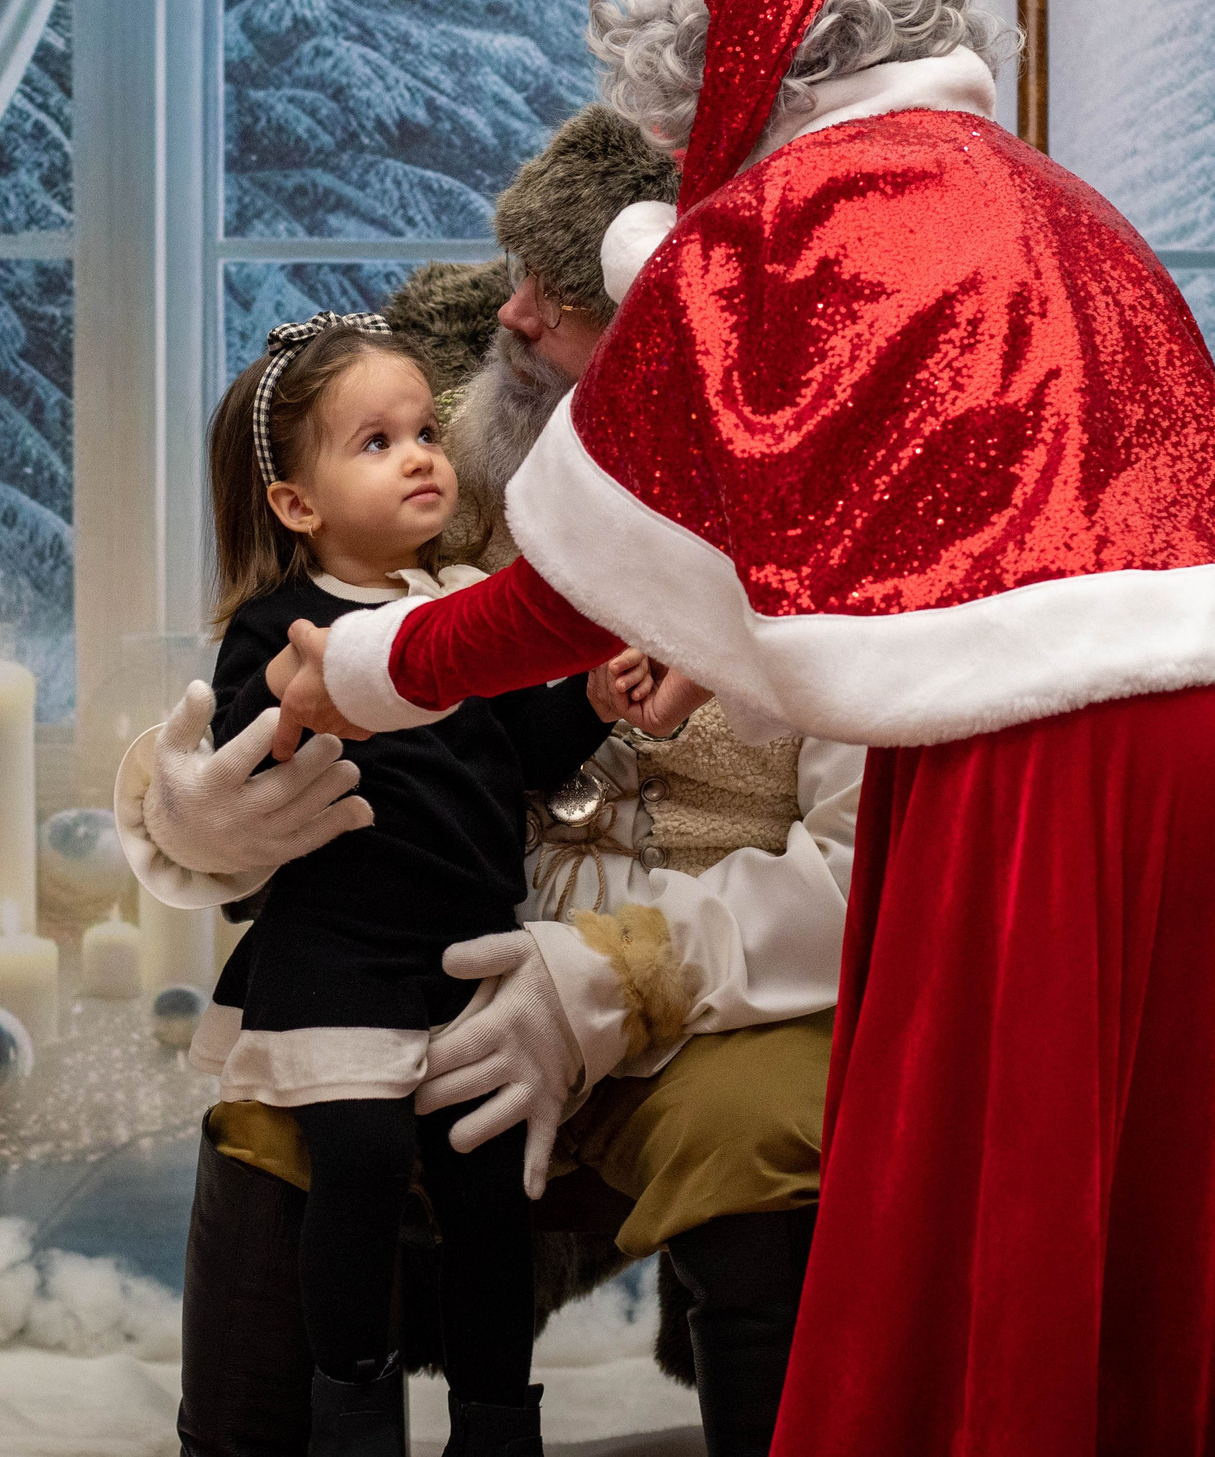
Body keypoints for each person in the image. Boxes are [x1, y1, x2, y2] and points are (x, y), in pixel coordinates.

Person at [260, 0, 1215, 1457]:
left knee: (995, 1256)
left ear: (731, 62)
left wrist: (364, 670)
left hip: (1070, 755)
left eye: (673, 105)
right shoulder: (1048, 203)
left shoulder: (781, 236)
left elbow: (576, 592)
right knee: (1213, 1249)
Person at [118, 107, 866, 1457]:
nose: (514, 317)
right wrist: (191, 813)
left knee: (765, 1138)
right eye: (515, 273)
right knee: (284, 1114)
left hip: (712, 988)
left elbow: (864, 866)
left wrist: (615, 974)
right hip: (417, 956)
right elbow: (265, 654)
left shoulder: (836, 498)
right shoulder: (442, 435)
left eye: (564, 296)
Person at [187, 310, 661, 1457]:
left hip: (465, 957)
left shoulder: (464, 607)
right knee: (357, 1161)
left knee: (492, 1192)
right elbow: (245, 778)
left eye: (423, 431)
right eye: (375, 441)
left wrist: (588, 701)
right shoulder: (276, 631)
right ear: (295, 504)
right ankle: (350, 1407)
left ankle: (496, 1418)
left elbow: (514, 757)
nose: (419, 455)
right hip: (338, 956)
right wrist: (290, 720)